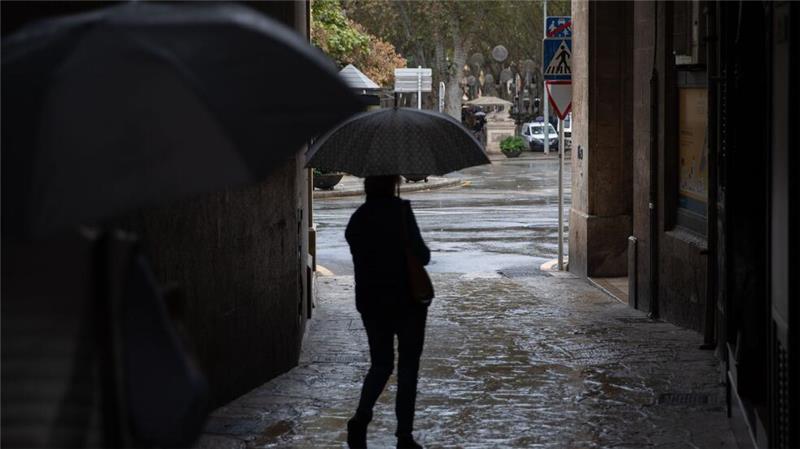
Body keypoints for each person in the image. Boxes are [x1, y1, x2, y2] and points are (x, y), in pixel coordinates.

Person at [344, 175, 431, 449]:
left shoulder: (358, 219)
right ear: (393, 183)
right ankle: (404, 435)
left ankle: (361, 417)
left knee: (380, 364)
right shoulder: (401, 212)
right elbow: (423, 256)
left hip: (372, 302)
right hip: (407, 302)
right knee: (408, 368)